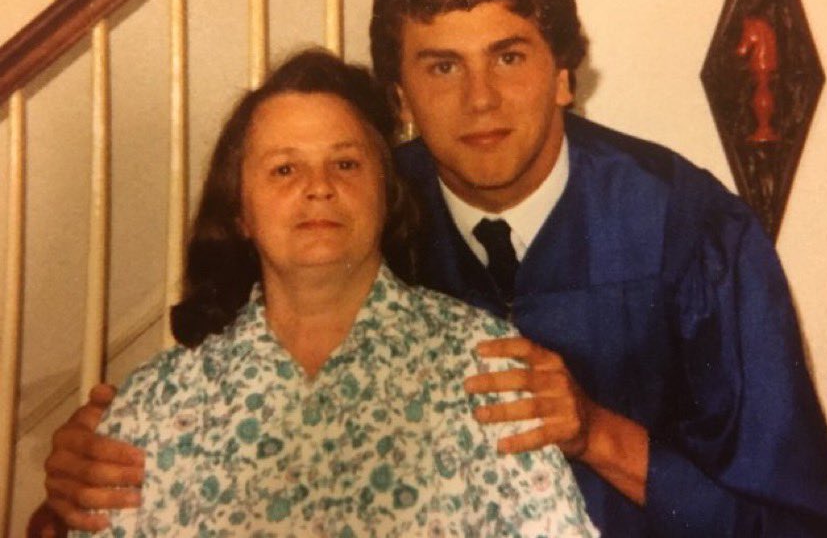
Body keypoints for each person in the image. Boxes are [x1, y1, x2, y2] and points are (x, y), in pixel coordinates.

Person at [35, 0, 827, 536]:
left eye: (509, 57)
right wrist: (81, 472)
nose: (480, 102)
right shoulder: (359, 215)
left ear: (564, 73)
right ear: (398, 97)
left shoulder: (693, 236)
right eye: (440, 66)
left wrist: (598, 435)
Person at [52, 49, 599, 536]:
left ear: (386, 195)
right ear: (241, 210)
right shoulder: (155, 404)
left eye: (345, 163)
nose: (318, 187)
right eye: (284, 169)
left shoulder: (488, 367)